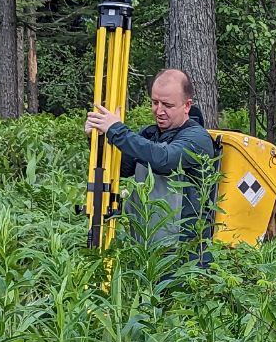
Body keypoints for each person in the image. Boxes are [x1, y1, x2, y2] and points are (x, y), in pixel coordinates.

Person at [85, 68, 220, 258]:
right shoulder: (150, 135)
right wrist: (98, 139)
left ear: (187, 105)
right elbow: (122, 168)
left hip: (184, 256)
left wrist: (117, 130)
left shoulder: (196, 139)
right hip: (148, 251)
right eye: (154, 102)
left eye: (167, 105)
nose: (159, 111)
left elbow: (163, 160)